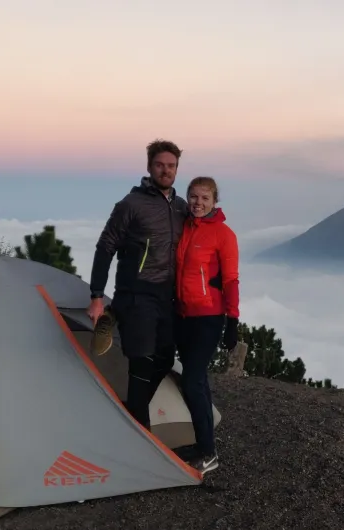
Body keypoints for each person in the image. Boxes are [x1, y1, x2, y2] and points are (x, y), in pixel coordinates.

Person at [86, 139, 189, 431]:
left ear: (177, 169)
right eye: (160, 165)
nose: (165, 170)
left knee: (165, 357)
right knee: (142, 359)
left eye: (171, 166)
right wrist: (96, 295)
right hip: (137, 291)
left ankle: (132, 410)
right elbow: (105, 247)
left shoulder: (181, 208)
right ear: (149, 167)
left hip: (166, 295)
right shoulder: (130, 205)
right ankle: (140, 429)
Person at [174, 175, 240, 475]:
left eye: (204, 198)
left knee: (191, 380)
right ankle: (204, 442)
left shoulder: (224, 235)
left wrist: (232, 319)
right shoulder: (185, 226)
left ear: (215, 202)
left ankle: (209, 453)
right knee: (197, 381)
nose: (198, 203)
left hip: (209, 318)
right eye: (193, 197)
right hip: (184, 315)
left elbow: (230, 279)